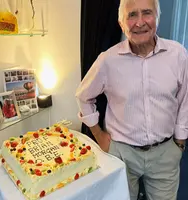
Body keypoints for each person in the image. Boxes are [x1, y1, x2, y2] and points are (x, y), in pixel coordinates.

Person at [75, 0, 188, 199]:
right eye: (132, 15)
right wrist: (99, 136)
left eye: (147, 13)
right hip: (121, 153)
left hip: (165, 153)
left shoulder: (178, 54)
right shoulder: (108, 60)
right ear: (121, 23)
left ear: (157, 17)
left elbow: (185, 99)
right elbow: (83, 96)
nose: (140, 22)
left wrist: (179, 142)